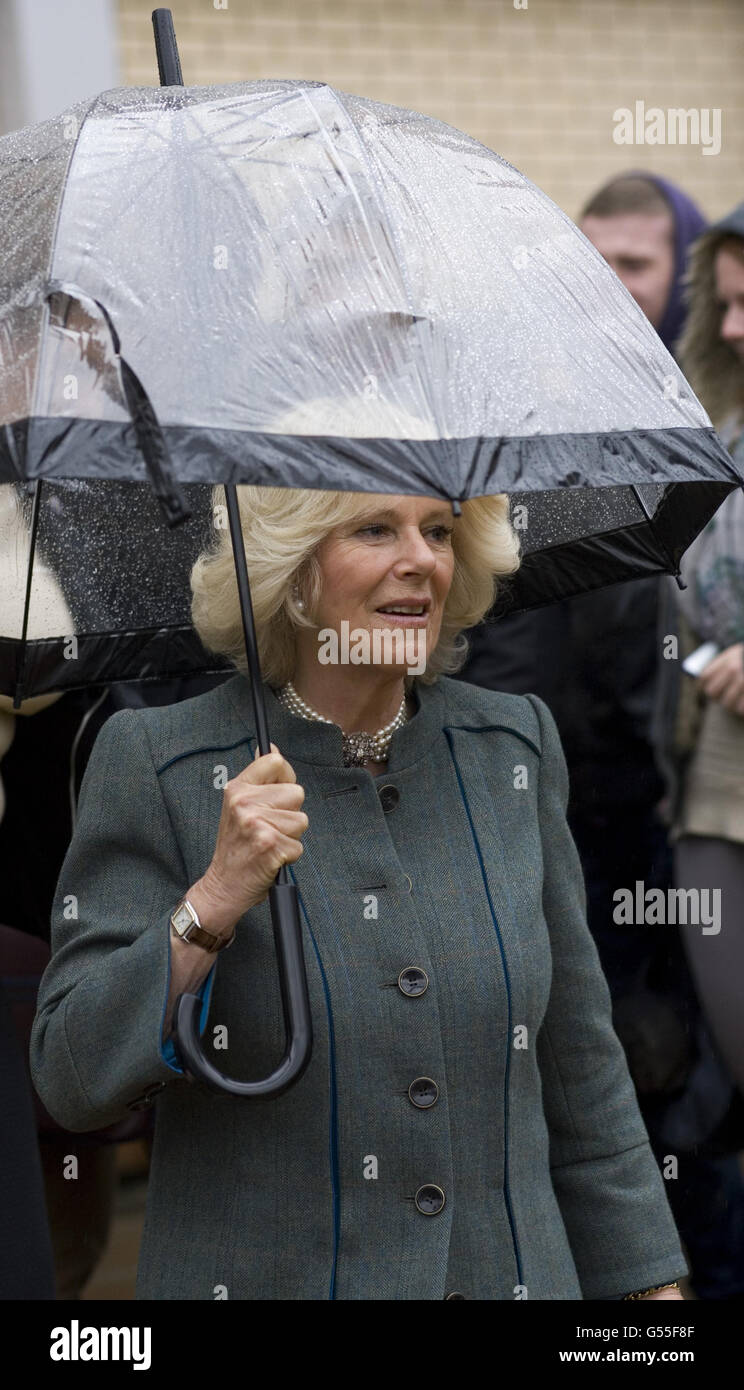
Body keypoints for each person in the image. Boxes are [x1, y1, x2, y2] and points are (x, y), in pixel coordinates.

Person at [30, 485, 686, 1301]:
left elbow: (582, 1072)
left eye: (440, 533)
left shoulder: (512, 745)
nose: (420, 559)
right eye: (376, 530)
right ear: (293, 573)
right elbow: (73, 1077)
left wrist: (653, 1299)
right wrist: (215, 898)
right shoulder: (157, 762)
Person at [654, 197, 744, 1103]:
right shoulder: (718, 435)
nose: (731, 326)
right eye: (723, 303)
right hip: (714, 785)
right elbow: (672, 612)